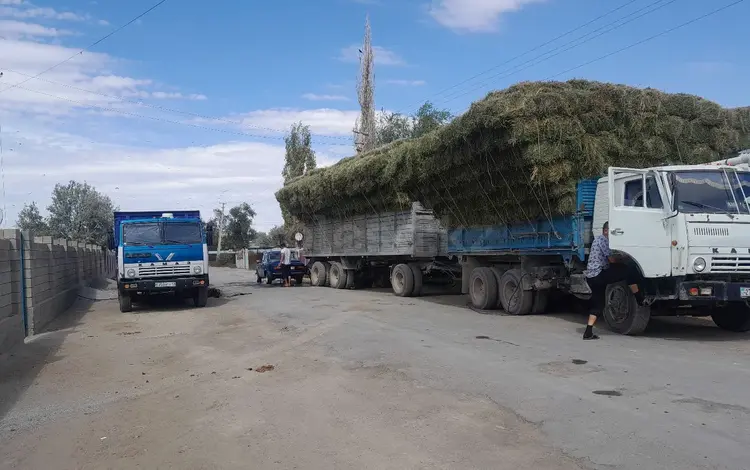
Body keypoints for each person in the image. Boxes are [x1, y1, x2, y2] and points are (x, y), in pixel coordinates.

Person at [583, 221, 644, 340]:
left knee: (598, 305)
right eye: (612, 231)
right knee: (629, 270)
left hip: (591, 277)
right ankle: (639, 298)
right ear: (606, 231)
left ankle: (588, 332)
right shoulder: (604, 240)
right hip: (599, 274)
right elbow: (612, 260)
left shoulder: (597, 240)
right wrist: (626, 257)